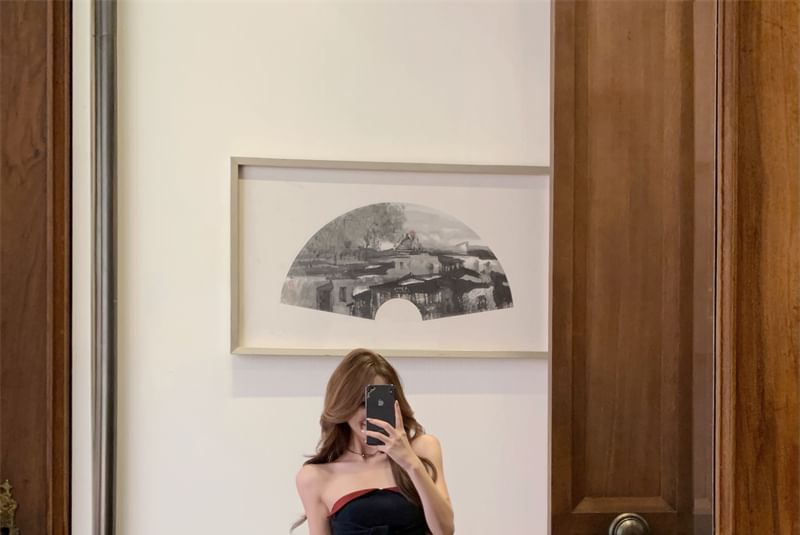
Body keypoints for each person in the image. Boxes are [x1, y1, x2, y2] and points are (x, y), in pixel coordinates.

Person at [293, 348, 454, 535]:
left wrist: (410, 463)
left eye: (379, 402)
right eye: (362, 403)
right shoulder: (315, 477)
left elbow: (445, 531)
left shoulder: (423, 448)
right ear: (343, 404)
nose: (370, 414)